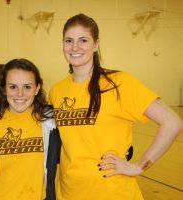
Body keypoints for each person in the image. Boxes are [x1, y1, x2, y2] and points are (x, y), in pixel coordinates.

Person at [49, 13, 183, 200]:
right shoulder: (56, 91)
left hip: (112, 192)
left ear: (96, 44)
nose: (75, 47)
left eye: (83, 40)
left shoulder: (118, 83)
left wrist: (138, 166)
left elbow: (172, 122)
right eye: (68, 40)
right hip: (68, 192)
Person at [0, 58, 60, 200]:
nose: (20, 94)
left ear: (37, 88)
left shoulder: (51, 124)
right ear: (4, 89)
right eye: (13, 87)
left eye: (27, 87)